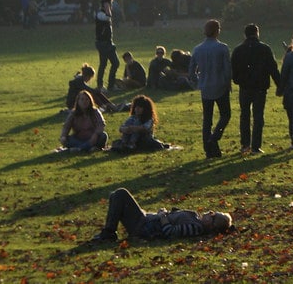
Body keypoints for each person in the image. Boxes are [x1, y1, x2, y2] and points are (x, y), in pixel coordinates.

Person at [91, 188, 232, 242]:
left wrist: (163, 215)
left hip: (143, 226)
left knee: (120, 194)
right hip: (146, 220)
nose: (209, 212)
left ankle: (109, 233)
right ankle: (109, 232)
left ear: (212, 225)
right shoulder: (196, 219)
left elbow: (170, 232)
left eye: (212, 215)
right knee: (115, 196)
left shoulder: (195, 227)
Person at [231, 23, 281, 155]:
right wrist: (280, 85)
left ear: (245, 34)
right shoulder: (265, 49)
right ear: (257, 33)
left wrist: (237, 80)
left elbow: (233, 69)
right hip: (260, 86)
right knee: (258, 116)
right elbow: (273, 68)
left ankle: (245, 144)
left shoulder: (238, 50)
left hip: (245, 87)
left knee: (245, 115)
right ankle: (256, 146)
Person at [189, 19, 232, 159]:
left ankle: (208, 150)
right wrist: (228, 83)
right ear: (217, 31)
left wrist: (198, 81)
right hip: (220, 86)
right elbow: (227, 70)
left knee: (207, 119)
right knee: (225, 115)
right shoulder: (222, 48)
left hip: (205, 87)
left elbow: (191, 72)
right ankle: (214, 138)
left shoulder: (197, 49)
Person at [94, 0, 119, 92]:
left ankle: (111, 85)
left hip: (108, 42)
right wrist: (107, 7)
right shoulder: (100, 14)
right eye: (110, 4)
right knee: (104, 64)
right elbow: (108, 17)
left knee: (115, 63)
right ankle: (100, 86)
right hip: (103, 43)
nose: (111, 6)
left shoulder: (104, 13)